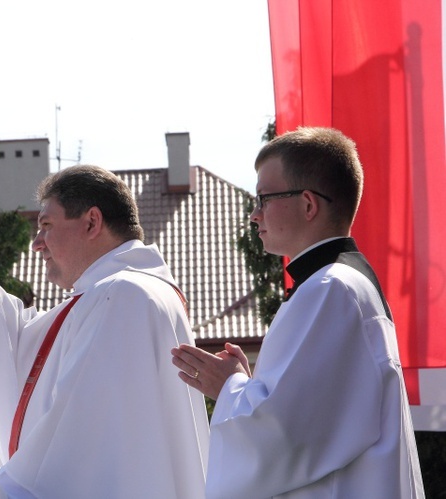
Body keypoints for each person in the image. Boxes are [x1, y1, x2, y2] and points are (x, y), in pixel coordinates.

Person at [171, 127, 424, 498]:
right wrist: (250, 386)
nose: (254, 215)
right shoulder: (342, 285)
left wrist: (228, 387)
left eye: (263, 199)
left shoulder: (329, 290)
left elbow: (282, 437)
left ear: (308, 204)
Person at [0, 165, 209, 498]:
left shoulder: (122, 295)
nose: (36, 244)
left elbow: (77, 437)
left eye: (46, 226)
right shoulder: (123, 291)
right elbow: (26, 345)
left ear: (92, 222)